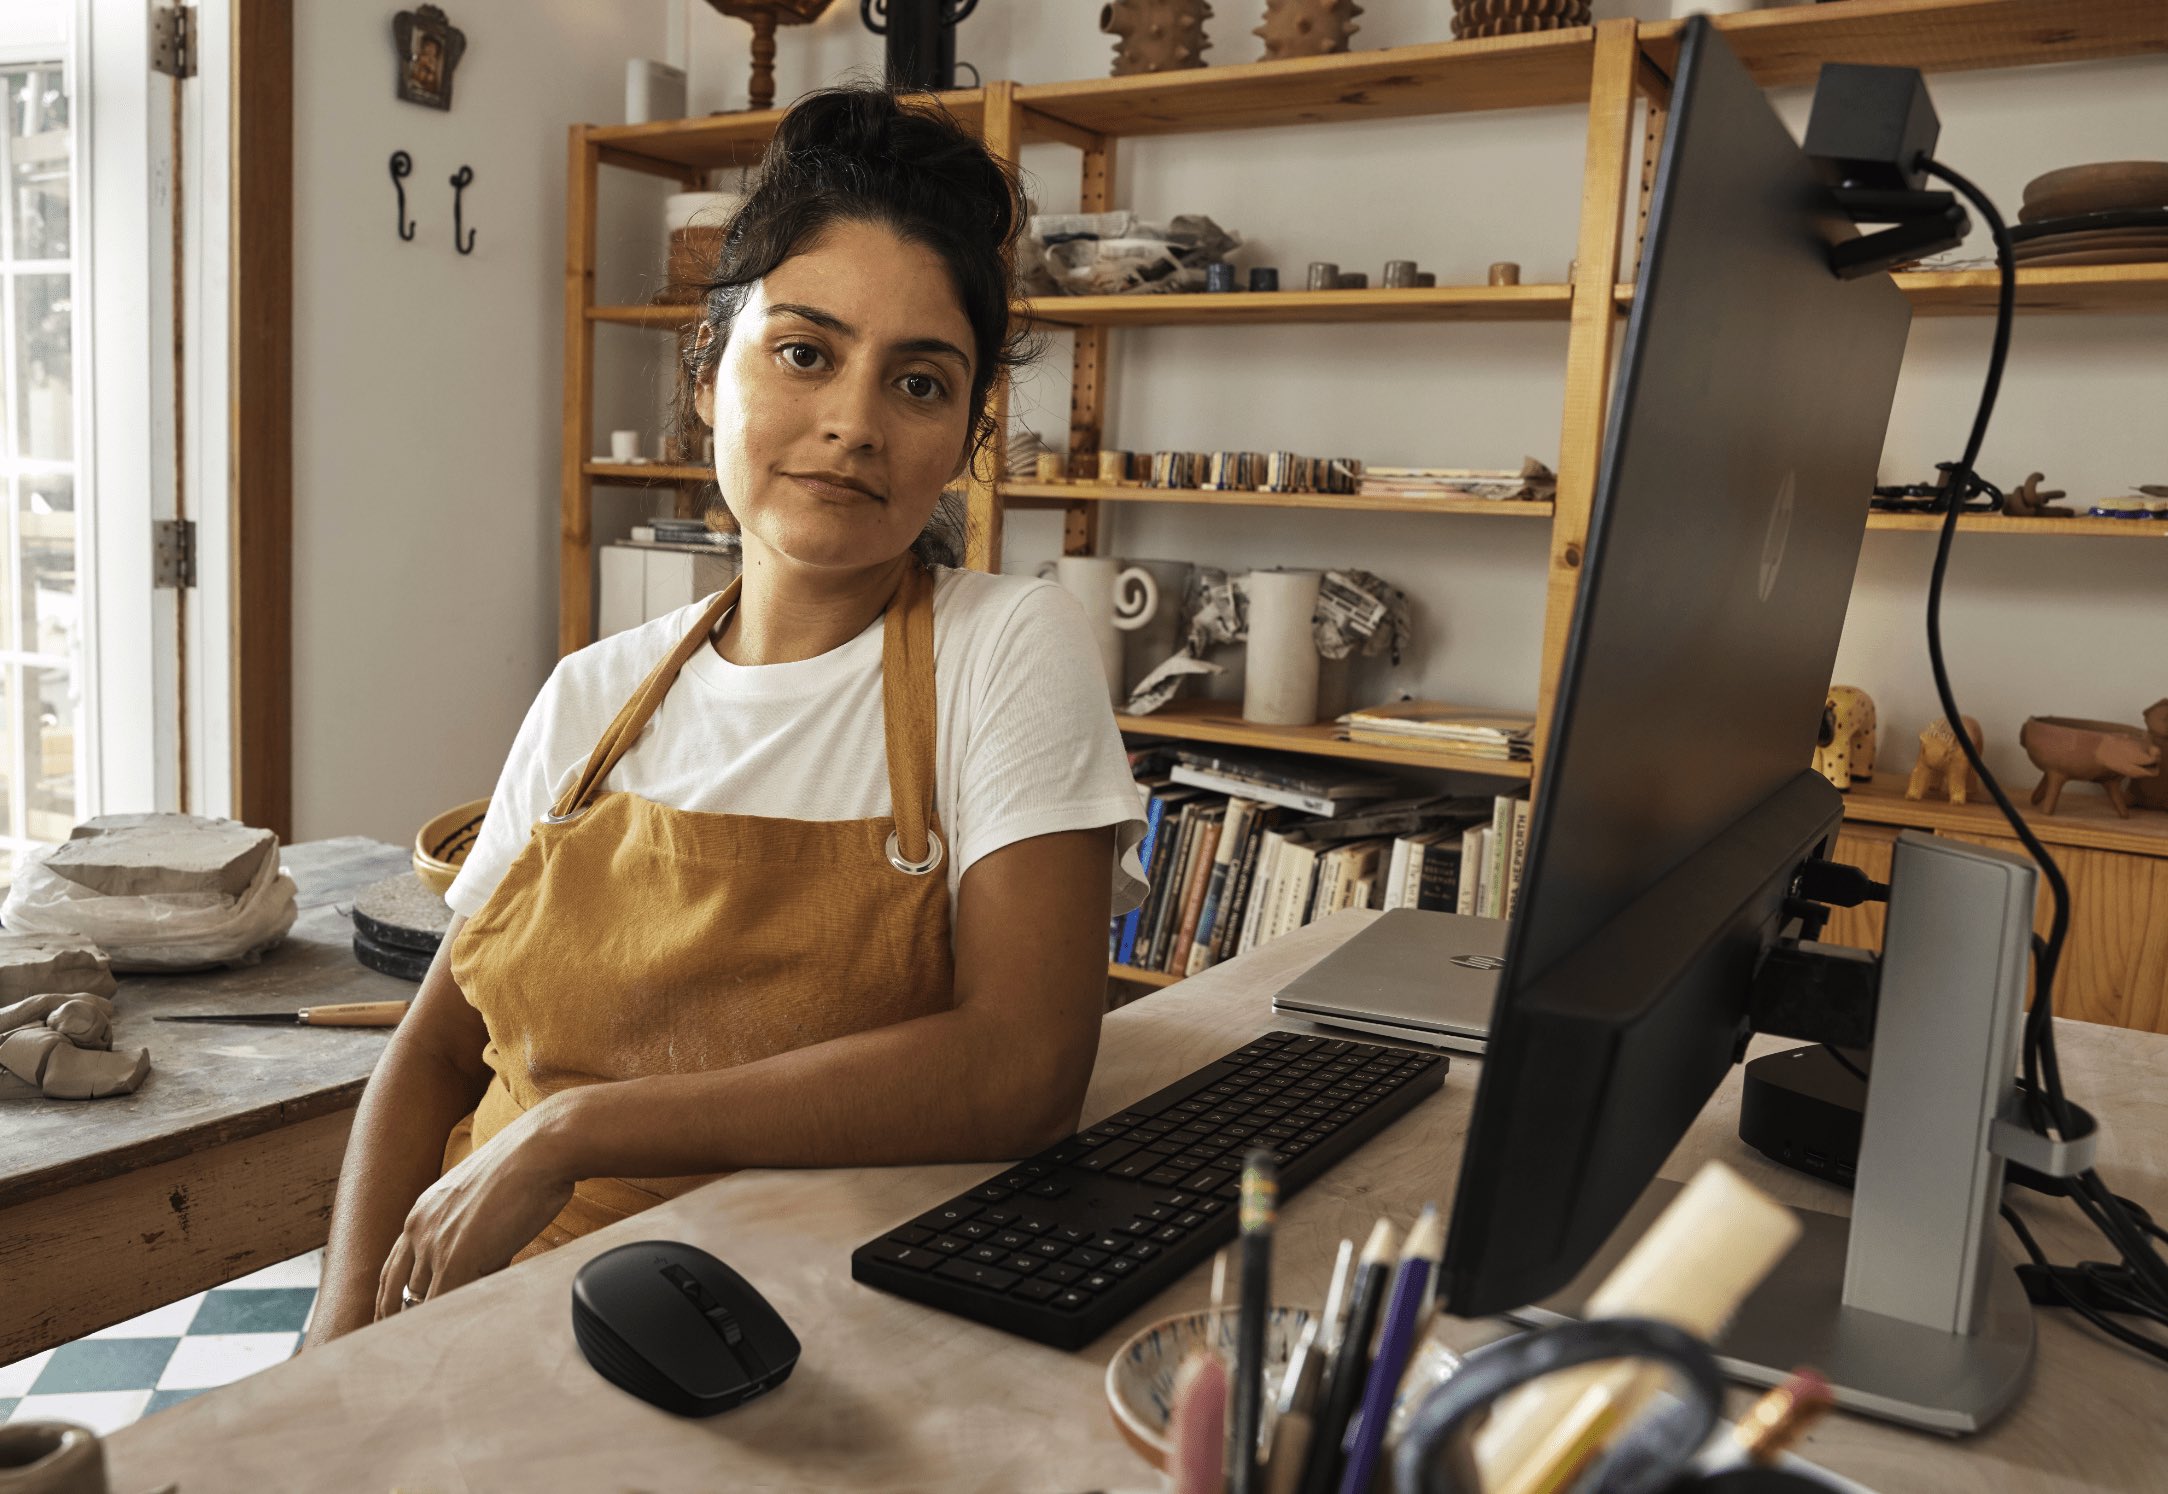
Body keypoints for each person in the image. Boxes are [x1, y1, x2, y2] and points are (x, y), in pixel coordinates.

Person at [305, 86, 1148, 1345]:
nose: (853, 424)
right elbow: (434, 1053)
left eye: (919, 384)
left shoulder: (999, 649)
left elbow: (1023, 1073)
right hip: (480, 1303)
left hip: (783, 1327)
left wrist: (579, 1128)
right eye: (803, 353)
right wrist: (336, 1337)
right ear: (706, 378)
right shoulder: (593, 695)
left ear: (963, 434)